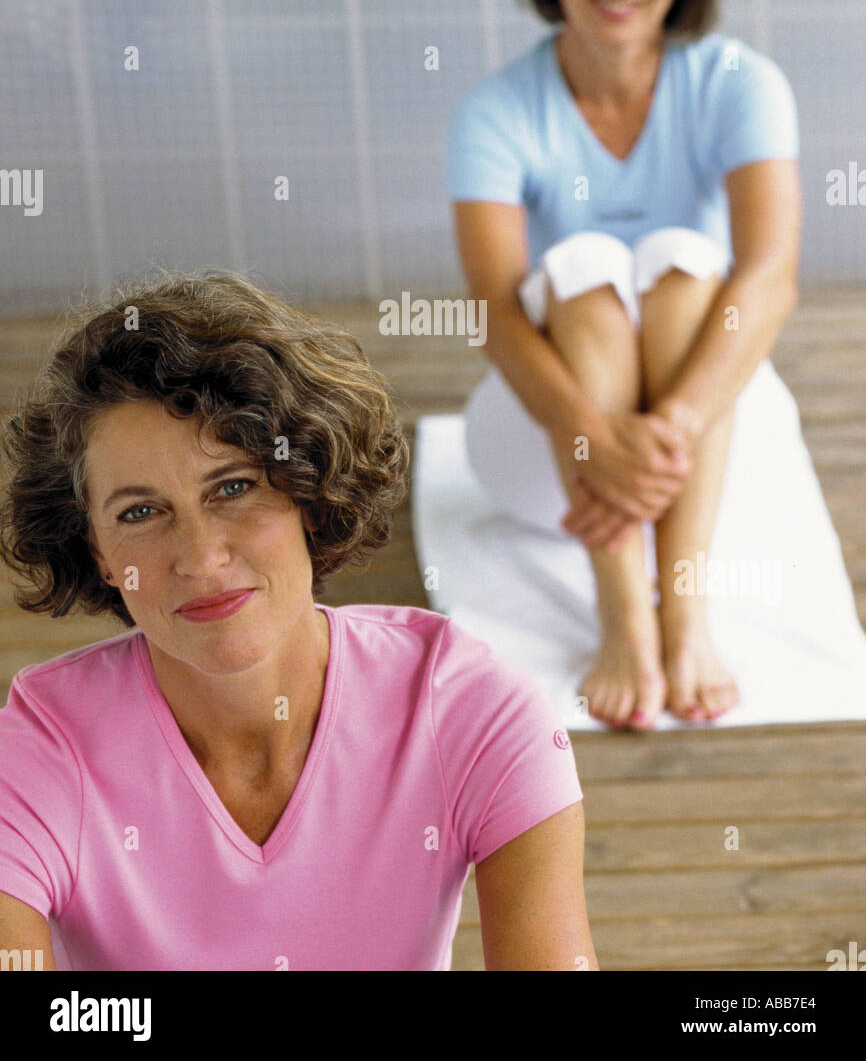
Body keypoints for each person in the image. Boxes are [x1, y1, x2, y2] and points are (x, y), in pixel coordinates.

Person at [0, 270, 596, 971]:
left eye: (233, 488)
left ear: (309, 494)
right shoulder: (40, 749)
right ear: (97, 551)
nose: (200, 556)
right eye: (139, 512)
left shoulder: (473, 709)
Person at [447, 0, 801, 732]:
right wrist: (586, 439)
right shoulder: (497, 109)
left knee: (689, 267)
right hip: (543, 449)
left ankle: (682, 614)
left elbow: (769, 276)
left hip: (700, 442)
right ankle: (623, 617)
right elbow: (492, 309)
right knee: (589, 264)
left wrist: (666, 430)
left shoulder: (738, 82)